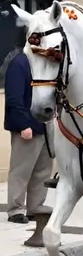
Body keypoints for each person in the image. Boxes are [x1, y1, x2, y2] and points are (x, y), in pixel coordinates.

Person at [5, 35, 53, 224]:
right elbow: (14, 98)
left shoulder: (45, 64)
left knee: (42, 170)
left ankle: (35, 206)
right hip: (26, 127)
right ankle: (15, 209)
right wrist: (23, 124)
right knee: (21, 170)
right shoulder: (20, 63)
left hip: (44, 125)